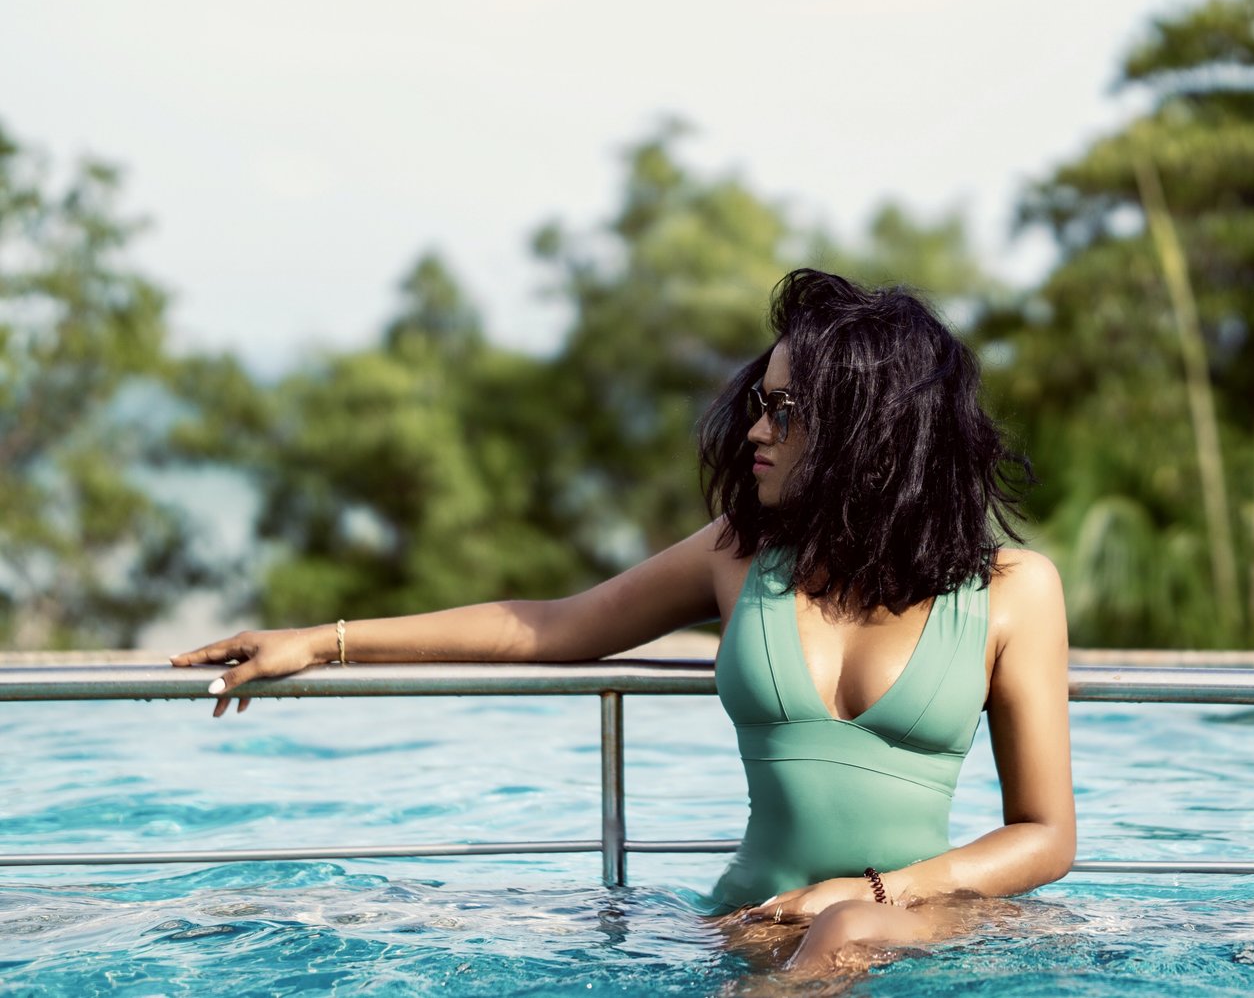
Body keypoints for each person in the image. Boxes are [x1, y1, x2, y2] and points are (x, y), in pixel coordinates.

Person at [171, 268, 1076, 974]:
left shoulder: (1012, 589)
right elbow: (552, 626)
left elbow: (1045, 834)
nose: (755, 431)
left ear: (869, 427)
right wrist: (323, 642)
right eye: (760, 403)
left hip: (917, 918)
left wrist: (878, 891)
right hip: (748, 925)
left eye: (784, 410)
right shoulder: (740, 554)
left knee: (842, 929)